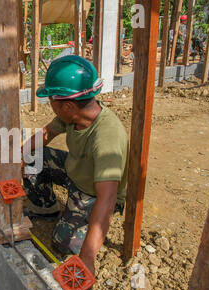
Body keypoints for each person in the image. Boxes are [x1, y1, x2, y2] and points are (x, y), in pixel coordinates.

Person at [22, 55, 129, 275]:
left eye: (51, 99)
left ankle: (80, 226)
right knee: (33, 158)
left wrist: (88, 256)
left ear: (68, 106)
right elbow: (46, 133)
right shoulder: (72, 116)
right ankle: (47, 207)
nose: (49, 103)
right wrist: (19, 156)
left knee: (63, 243)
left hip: (94, 192)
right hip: (76, 171)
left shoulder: (107, 136)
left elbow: (107, 197)